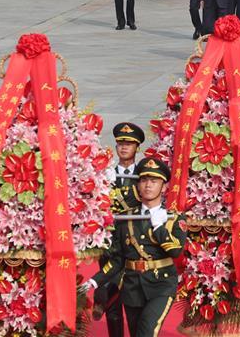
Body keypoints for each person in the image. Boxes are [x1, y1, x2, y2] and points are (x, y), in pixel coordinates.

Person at [81, 157, 184, 337]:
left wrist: (159, 227)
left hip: (161, 285)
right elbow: (118, 259)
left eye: (154, 181)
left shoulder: (173, 219)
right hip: (132, 286)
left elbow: (175, 250)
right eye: (144, 180)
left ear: (164, 187)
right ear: (137, 185)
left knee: (146, 329)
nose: (148, 185)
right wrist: (94, 281)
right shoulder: (125, 219)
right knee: (137, 332)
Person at [93, 122, 146, 337]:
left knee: (134, 300)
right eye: (121, 144)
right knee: (113, 307)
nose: (124, 148)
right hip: (111, 242)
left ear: (137, 148)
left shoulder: (145, 175)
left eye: (129, 144)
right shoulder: (106, 175)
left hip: (135, 242)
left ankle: (102, 297)